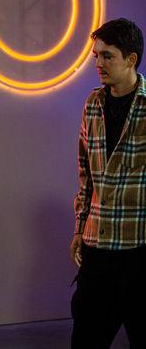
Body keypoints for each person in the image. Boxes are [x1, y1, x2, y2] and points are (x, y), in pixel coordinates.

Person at [70, 18, 145, 348]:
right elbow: (85, 174)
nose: (98, 63)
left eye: (107, 55)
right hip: (97, 249)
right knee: (86, 339)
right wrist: (79, 228)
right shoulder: (93, 103)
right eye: (96, 55)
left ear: (131, 59)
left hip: (139, 250)